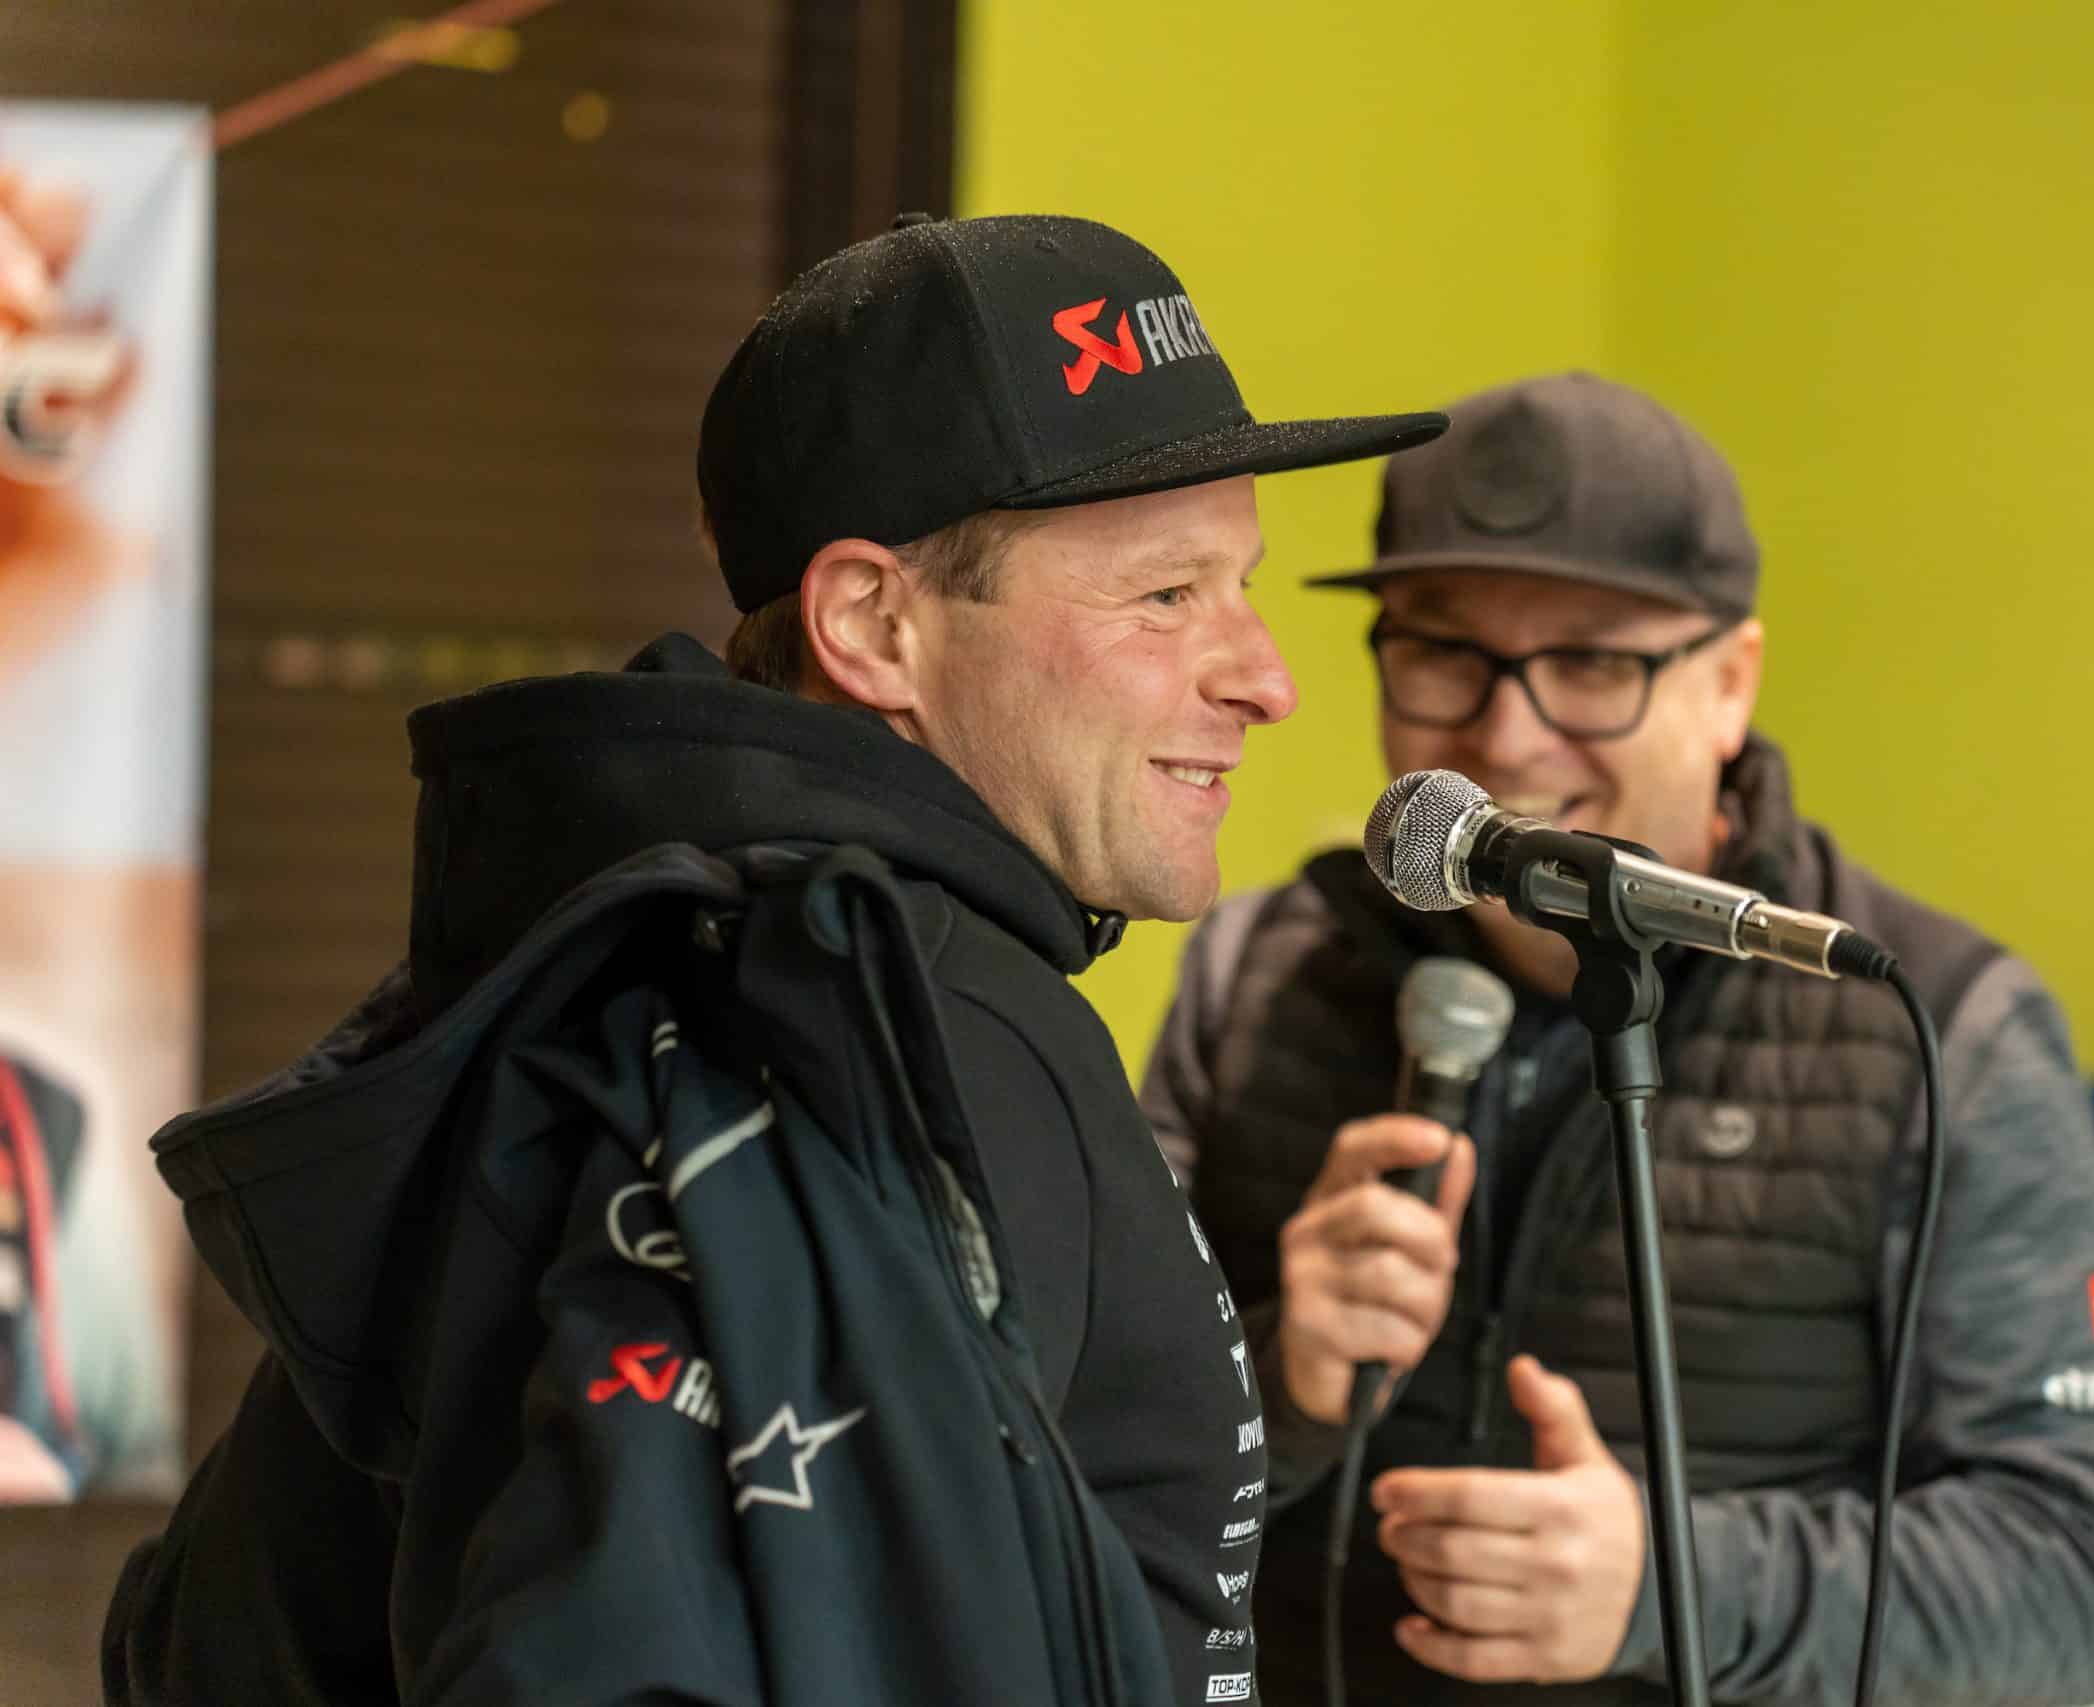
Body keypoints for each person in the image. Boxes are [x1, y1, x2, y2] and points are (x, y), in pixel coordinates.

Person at [101, 212, 1445, 1707]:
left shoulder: (590, 972)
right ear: (873, 624)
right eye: (1166, 595)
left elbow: (207, 1632)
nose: (1265, 677)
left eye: (1243, 584)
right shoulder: (890, 1022)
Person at [1144, 372, 2094, 1705]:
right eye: (1445, 652)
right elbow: (1072, 1468)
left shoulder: (1939, 1024)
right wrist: (1281, 1386)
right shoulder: (1252, 970)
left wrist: (1672, 1584)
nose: (1506, 739)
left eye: (1591, 664)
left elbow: (2085, 1578)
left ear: (1730, 684)